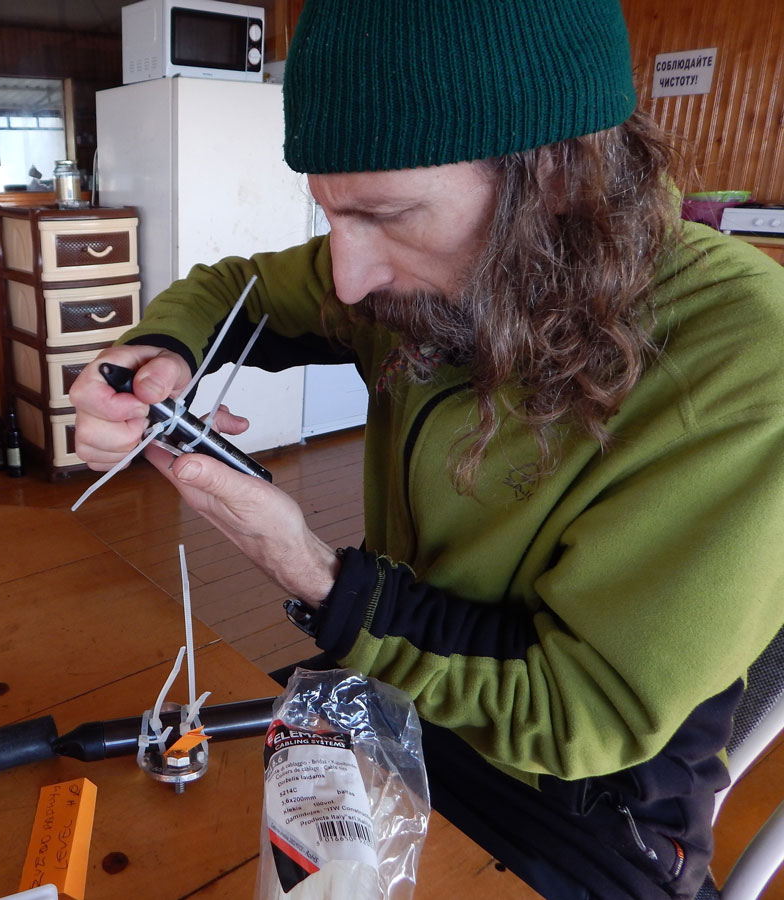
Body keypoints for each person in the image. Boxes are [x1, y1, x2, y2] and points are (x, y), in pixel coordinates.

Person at [69, 1, 784, 898]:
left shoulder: (741, 361)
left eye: (391, 214)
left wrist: (318, 577)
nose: (348, 277)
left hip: (577, 805)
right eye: (333, 214)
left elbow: (578, 714)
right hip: (393, 689)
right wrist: (159, 355)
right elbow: (238, 290)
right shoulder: (437, 269)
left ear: (558, 173)